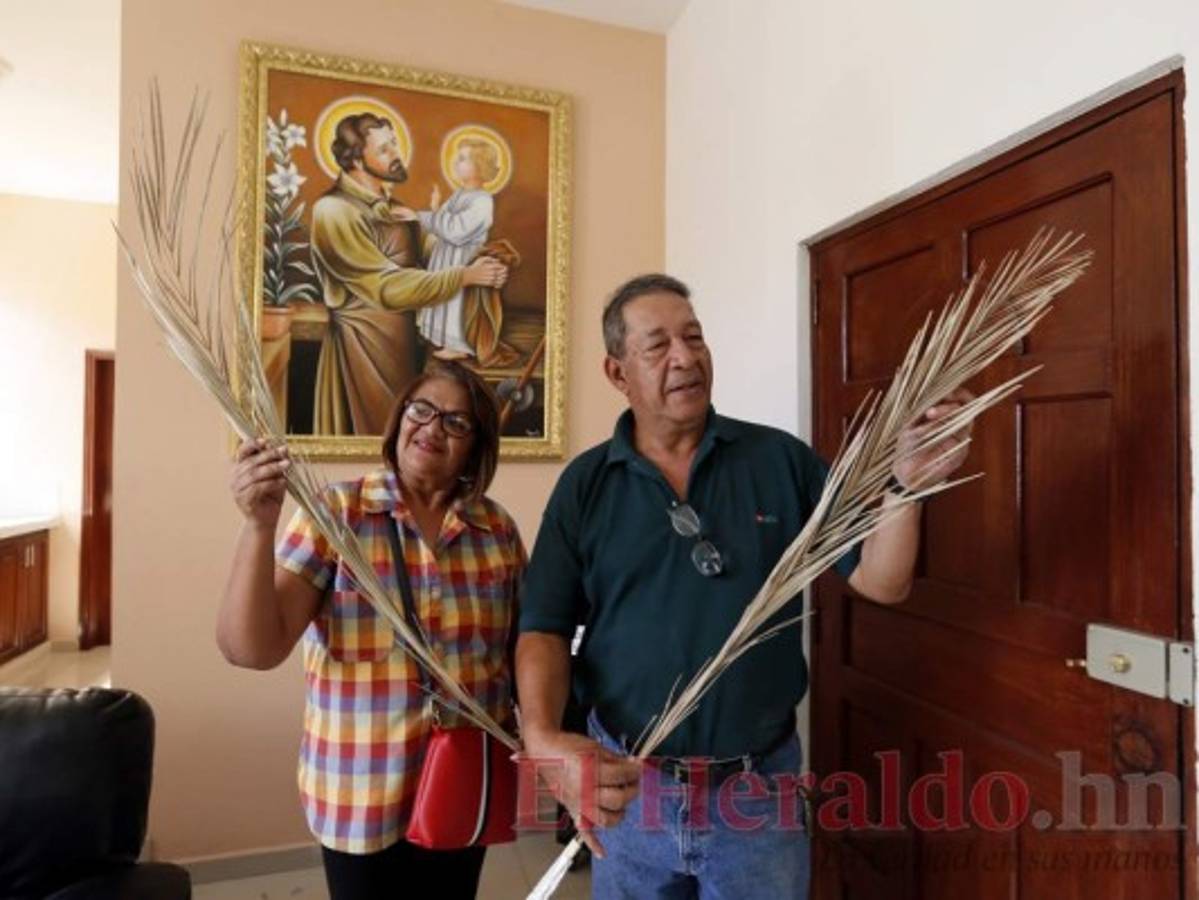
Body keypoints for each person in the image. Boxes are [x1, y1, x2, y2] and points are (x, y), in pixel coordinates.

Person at [515, 274, 971, 899]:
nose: (685, 357)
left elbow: (880, 580)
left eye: (694, 337)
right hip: (632, 786)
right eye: (658, 345)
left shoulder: (780, 460)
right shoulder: (586, 485)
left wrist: (906, 487)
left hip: (758, 796)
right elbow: (543, 626)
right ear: (618, 373)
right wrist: (543, 738)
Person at [219, 361, 526, 899]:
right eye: (421, 410)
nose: (432, 428)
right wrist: (258, 525)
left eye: (456, 422)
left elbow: (519, 653)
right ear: (399, 418)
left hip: (461, 780)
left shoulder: (495, 530)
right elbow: (251, 649)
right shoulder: (338, 513)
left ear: (477, 447)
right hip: (358, 792)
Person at [309, 113, 508, 435]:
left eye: (395, 144)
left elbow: (428, 255)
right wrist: (463, 276)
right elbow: (385, 286)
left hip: (407, 344)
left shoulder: (393, 207)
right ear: (357, 160)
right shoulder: (334, 211)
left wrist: (482, 261)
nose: (396, 153)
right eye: (384, 149)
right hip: (364, 349)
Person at [413, 138, 500, 360]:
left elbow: (455, 230)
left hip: (463, 258)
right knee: (443, 296)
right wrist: (435, 208)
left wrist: (422, 216)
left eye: (462, 158)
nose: (455, 162)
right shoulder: (459, 194)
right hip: (446, 256)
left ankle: (458, 345)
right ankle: (441, 338)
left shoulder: (483, 201)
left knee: (455, 302)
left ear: (480, 165)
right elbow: (443, 221)